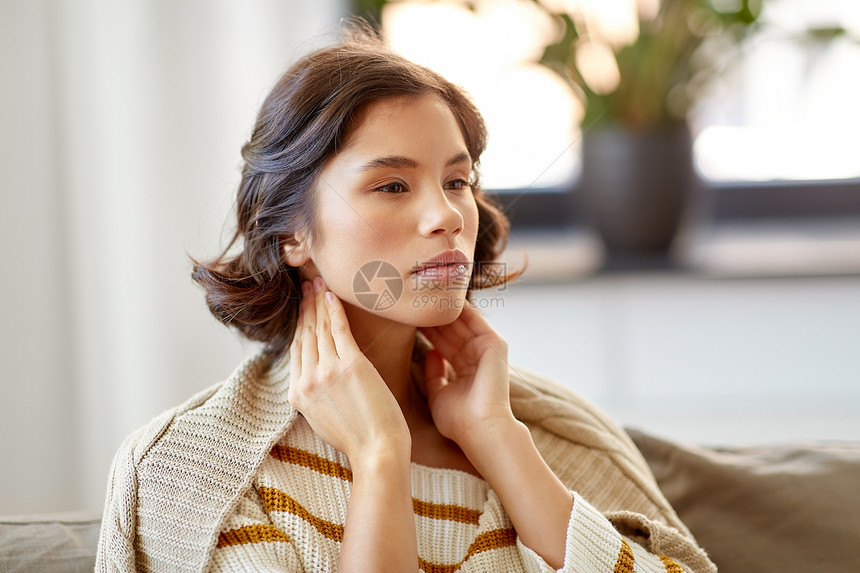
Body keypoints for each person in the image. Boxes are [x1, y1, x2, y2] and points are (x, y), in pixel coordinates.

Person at [96, 27, 716, 573]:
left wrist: (498, 439)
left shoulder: (558, 436)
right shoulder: (195, 477)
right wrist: (379, 459)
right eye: (391, 185)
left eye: (457, 181)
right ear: (291, 232)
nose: (446, 215)